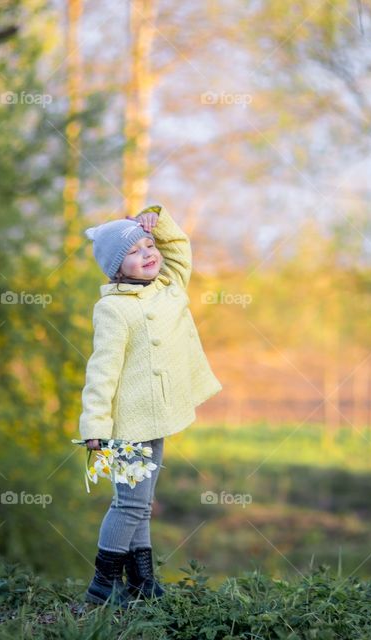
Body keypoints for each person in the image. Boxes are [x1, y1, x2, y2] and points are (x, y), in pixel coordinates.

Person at [78, 204, 222, 607]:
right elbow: (101, 372)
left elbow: (179, 249)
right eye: (136, 250)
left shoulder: (170, 287)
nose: (149, 252)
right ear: (116, 268)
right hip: (125, 426)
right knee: (130, 505)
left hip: (155, 418)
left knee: (140, 506)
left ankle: (142, 582)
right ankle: (101, 588)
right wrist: (95, 426)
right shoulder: (112, 308)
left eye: (148, 245)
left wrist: (154, 219)